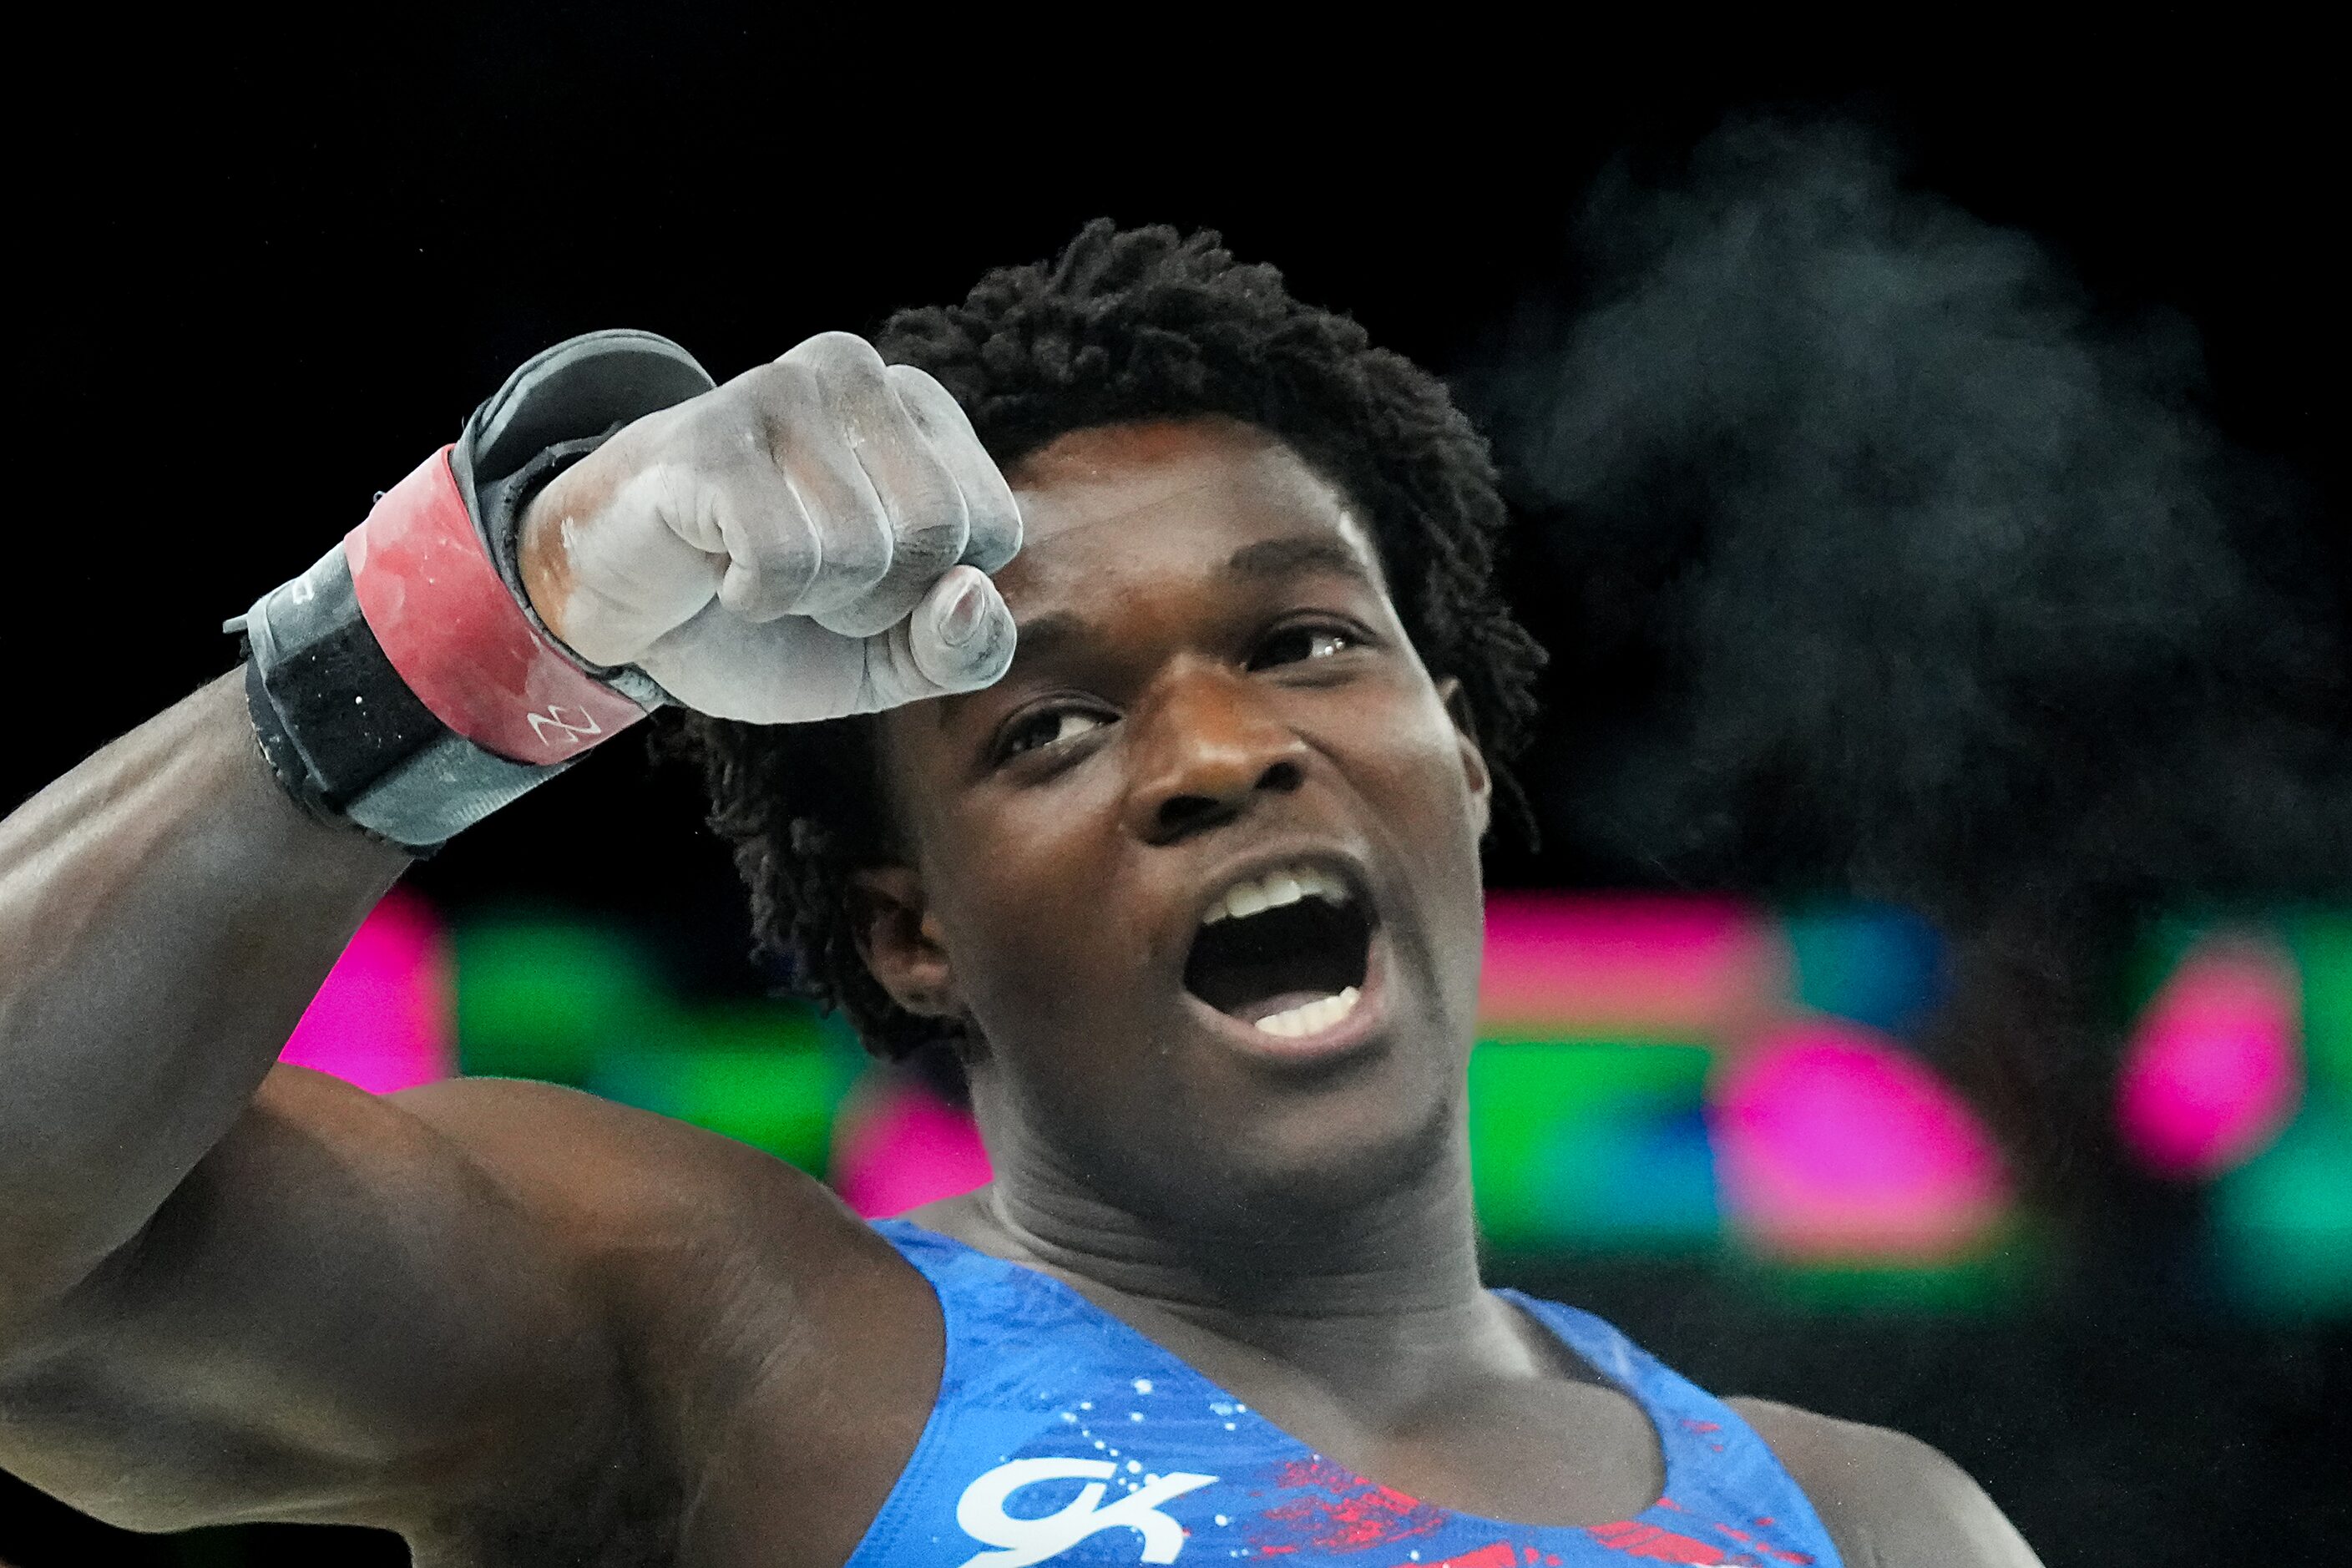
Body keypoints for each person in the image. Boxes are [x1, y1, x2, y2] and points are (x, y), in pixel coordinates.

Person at [0, 223, 2042, 1566]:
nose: (1219, 753)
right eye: (1047, 732)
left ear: (1466, 763)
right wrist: (477, 624)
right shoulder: (724, 1337)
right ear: (911, 927)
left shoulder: (1875, 1522)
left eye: (1308, 642)